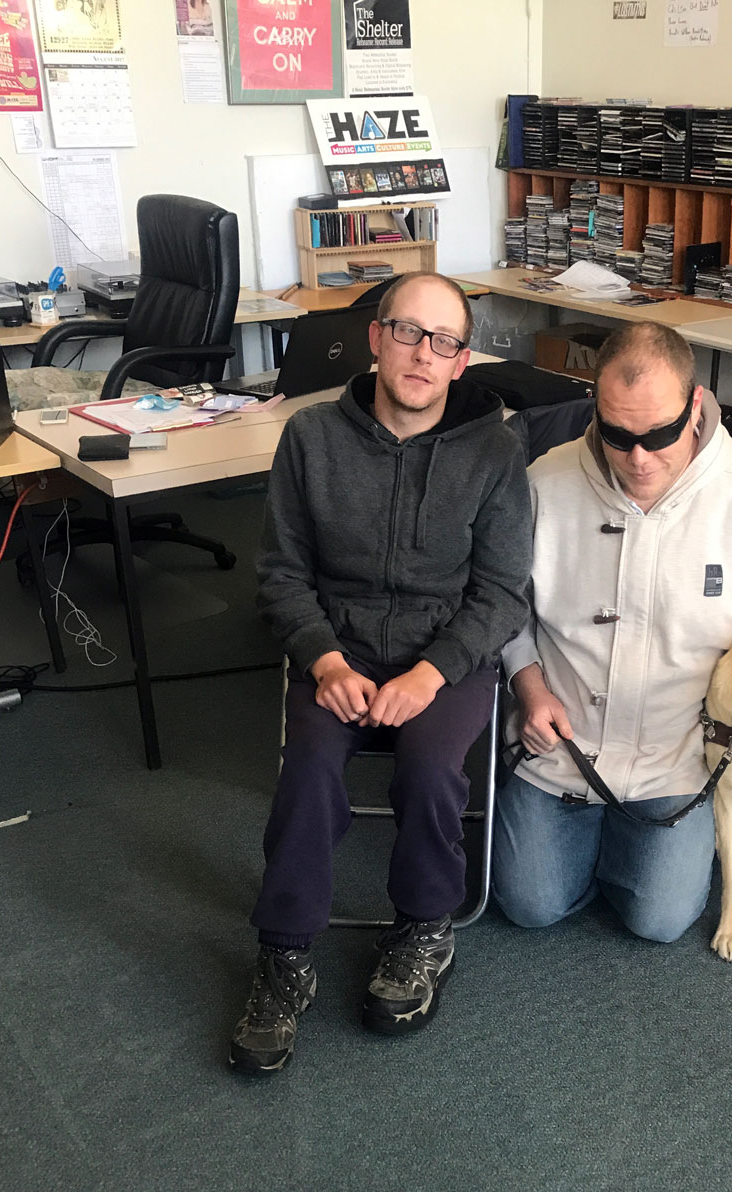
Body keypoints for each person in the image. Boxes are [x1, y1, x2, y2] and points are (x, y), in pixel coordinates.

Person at [230, 272, 532, 1075]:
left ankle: (423, 929)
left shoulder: (498, 452)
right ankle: (284, 952)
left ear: (462, 362)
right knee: (310, 771)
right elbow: (282, 573)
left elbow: (503, 594)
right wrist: (323, 659)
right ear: (375, 337)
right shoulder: (311, 438)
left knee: (434, 772)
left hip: (447, 653)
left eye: (445, 343)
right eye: (407, 332)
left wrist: (433, 674)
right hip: (339, 646)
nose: (423, 356)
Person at [494, 321, 732, 943]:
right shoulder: (543, 484)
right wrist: (527, 685)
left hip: (682, 761)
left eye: (659, 434)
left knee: (660, 921)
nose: (638, 458)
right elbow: (500, 604)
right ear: (595, 407)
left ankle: (624, 841)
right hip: (562, 750)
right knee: (530, 903)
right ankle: (592, 837)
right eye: (616, 434)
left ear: (695, 406)